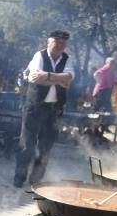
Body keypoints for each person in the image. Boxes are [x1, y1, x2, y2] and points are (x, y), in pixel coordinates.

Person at [13, 30, 74, 188]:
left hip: (55, 109)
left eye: (63, 43)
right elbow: (34, 78)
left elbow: (68, 81)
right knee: (27, 144)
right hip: (35, 107)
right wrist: (58, 78)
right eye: (57, 42)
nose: (60, 45)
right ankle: (19, 178)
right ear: (49, 43)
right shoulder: (39, 56)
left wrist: (46, 76)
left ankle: (36, 180)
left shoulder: (68, 59)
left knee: (46, 147)